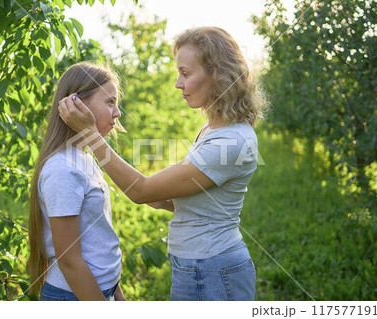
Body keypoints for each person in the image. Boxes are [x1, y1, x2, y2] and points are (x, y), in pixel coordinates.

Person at [58, 26, 267, 301]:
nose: (178, 83)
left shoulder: (231, 142)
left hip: (214, 269)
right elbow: (176, 197)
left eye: (186, 74)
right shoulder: (213, 129)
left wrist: (91, 136)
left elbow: (141, 192)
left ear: (217, 75)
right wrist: (162, 192)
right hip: (196, 265)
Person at [28, 62, 126, 301]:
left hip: (100, 292)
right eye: (110, 102)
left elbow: (100, 240)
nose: (118, 113)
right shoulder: (62, 168)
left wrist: (118, 297)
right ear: (77, 103)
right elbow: (70, 261)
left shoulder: (85, 158)